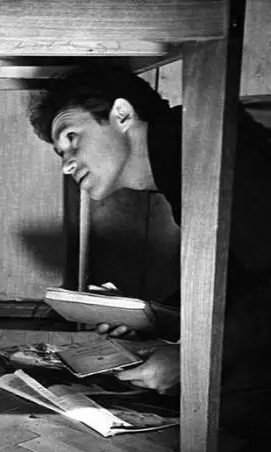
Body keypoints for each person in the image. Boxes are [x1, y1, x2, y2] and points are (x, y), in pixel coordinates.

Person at [29, 64, 271, 397]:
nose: (66, 165)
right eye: (61, 153)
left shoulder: (203, 145)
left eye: (72, 139)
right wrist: (148, 318)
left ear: (122, 114)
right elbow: (238, 280)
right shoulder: (179, 150)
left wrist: (191, 359)